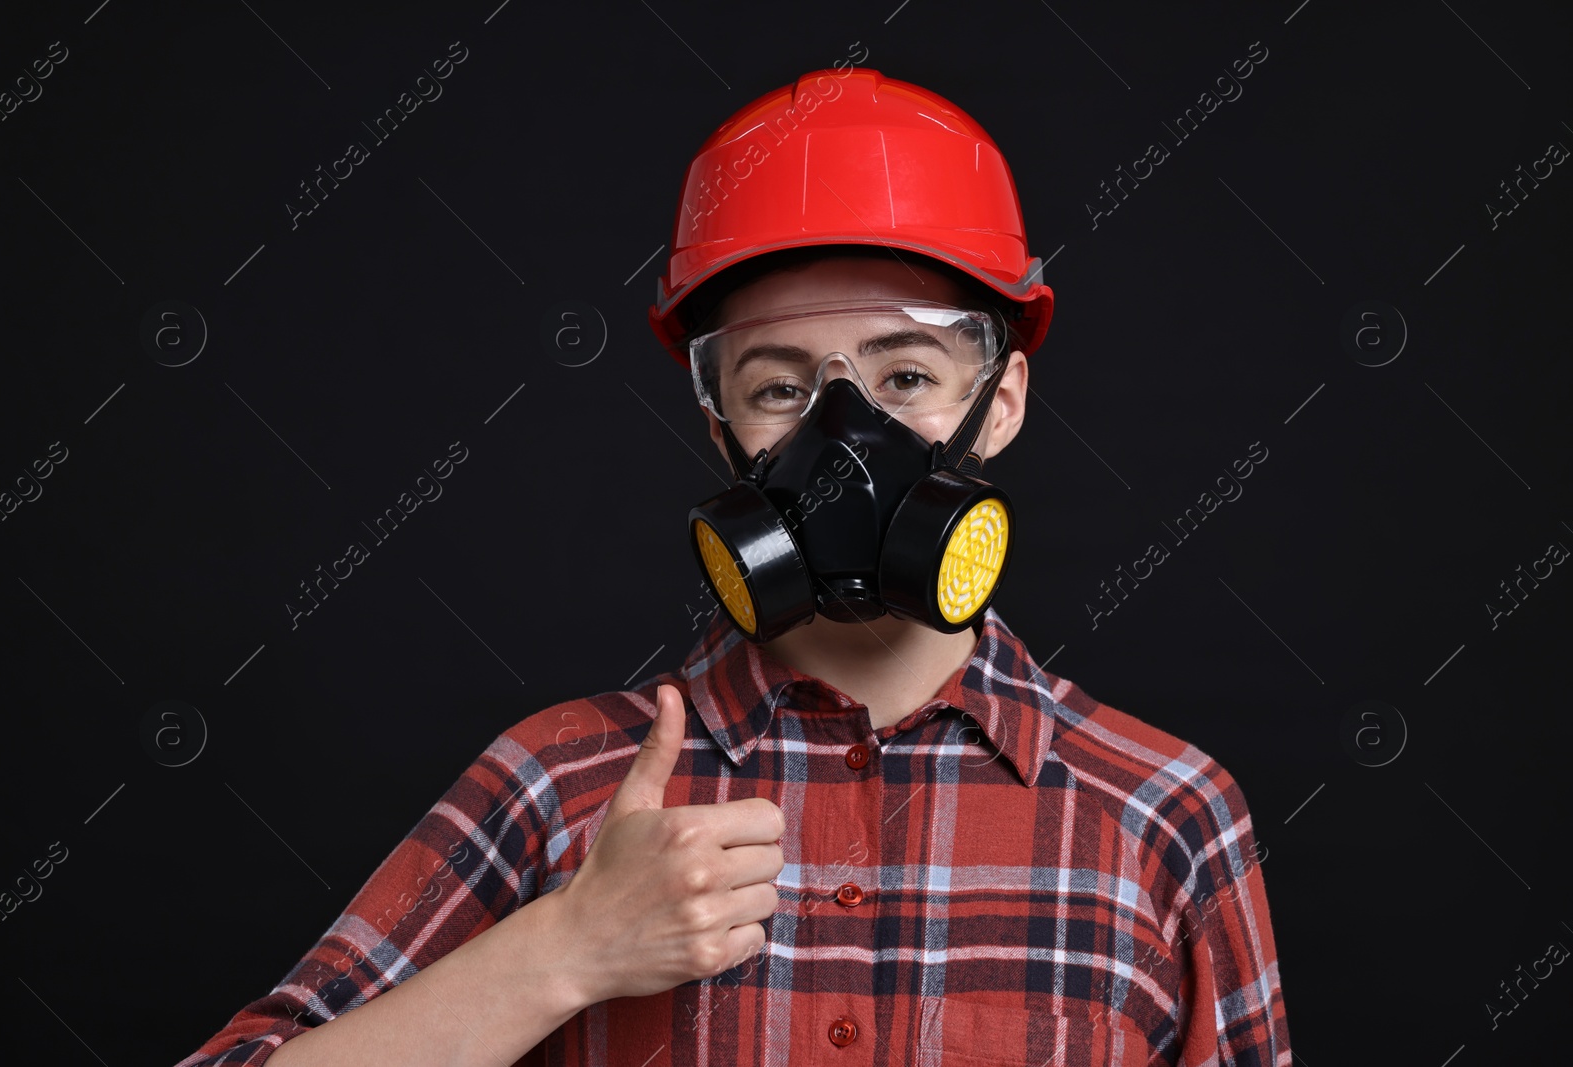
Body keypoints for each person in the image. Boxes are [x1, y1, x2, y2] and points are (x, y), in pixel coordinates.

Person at [176, 66, 1289, 1067]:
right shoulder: (564, 785)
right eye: (777, 386)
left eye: (906, 378)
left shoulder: (1162, 814)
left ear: (997, 404)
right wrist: (561, 949)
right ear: (722, 433)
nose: (842, 430)